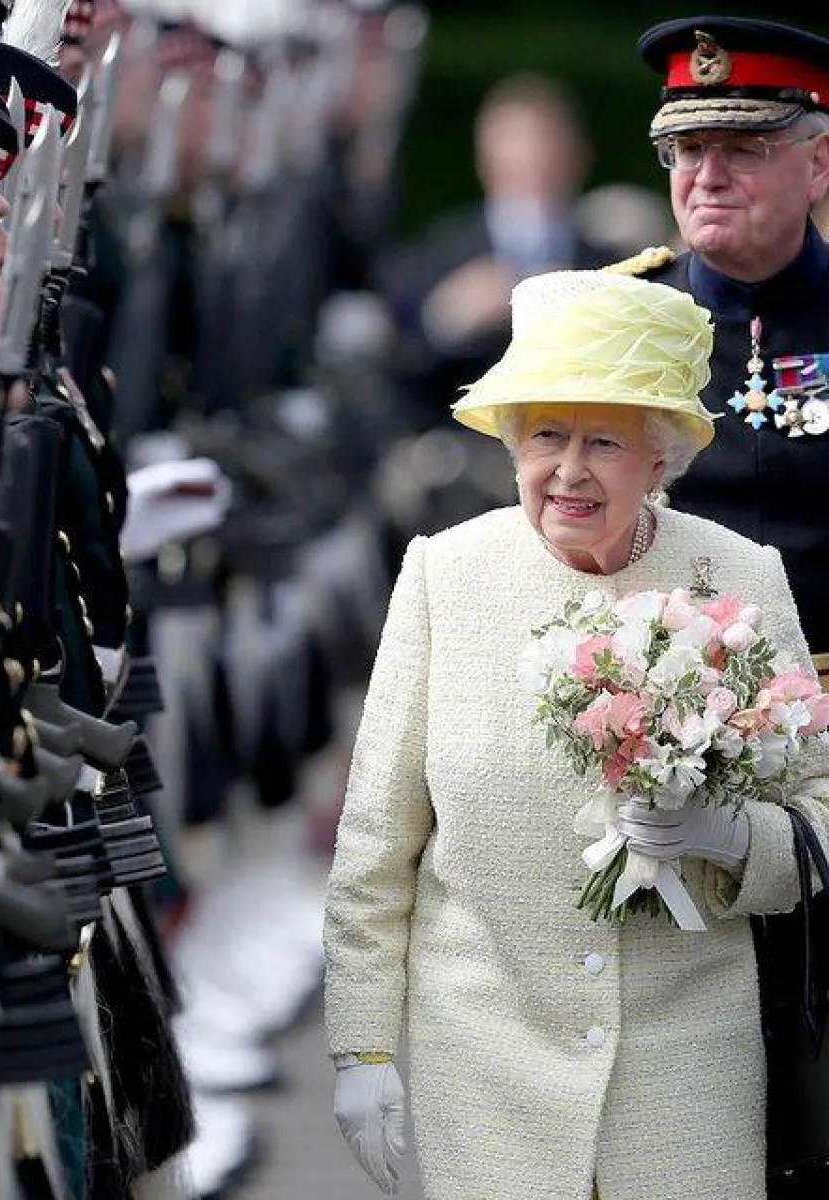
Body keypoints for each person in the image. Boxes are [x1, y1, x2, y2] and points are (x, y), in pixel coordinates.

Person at [323, 269, 829, 1200]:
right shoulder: (445, 574)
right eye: (546, 436)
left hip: (688, 1057)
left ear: (660, 459)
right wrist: (362, 1045)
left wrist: (729, 836)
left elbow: (819, 808)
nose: (568, 470)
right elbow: (376, 841)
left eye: (604, 441)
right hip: (484, 1057)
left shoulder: (741, 576)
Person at [627, 17, 829, 686]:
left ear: (818, 164)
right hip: (665, 701)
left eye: (743, 150)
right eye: (687, 150)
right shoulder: (620, 317)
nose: (707, 177)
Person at [380, 72, 607, 426]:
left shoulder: (611, 267)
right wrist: (446, 322)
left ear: (578, 155)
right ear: (483, 156)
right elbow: (393, 381)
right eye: (515, 143)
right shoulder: (433, 257)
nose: (531, 157)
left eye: (544, 141)